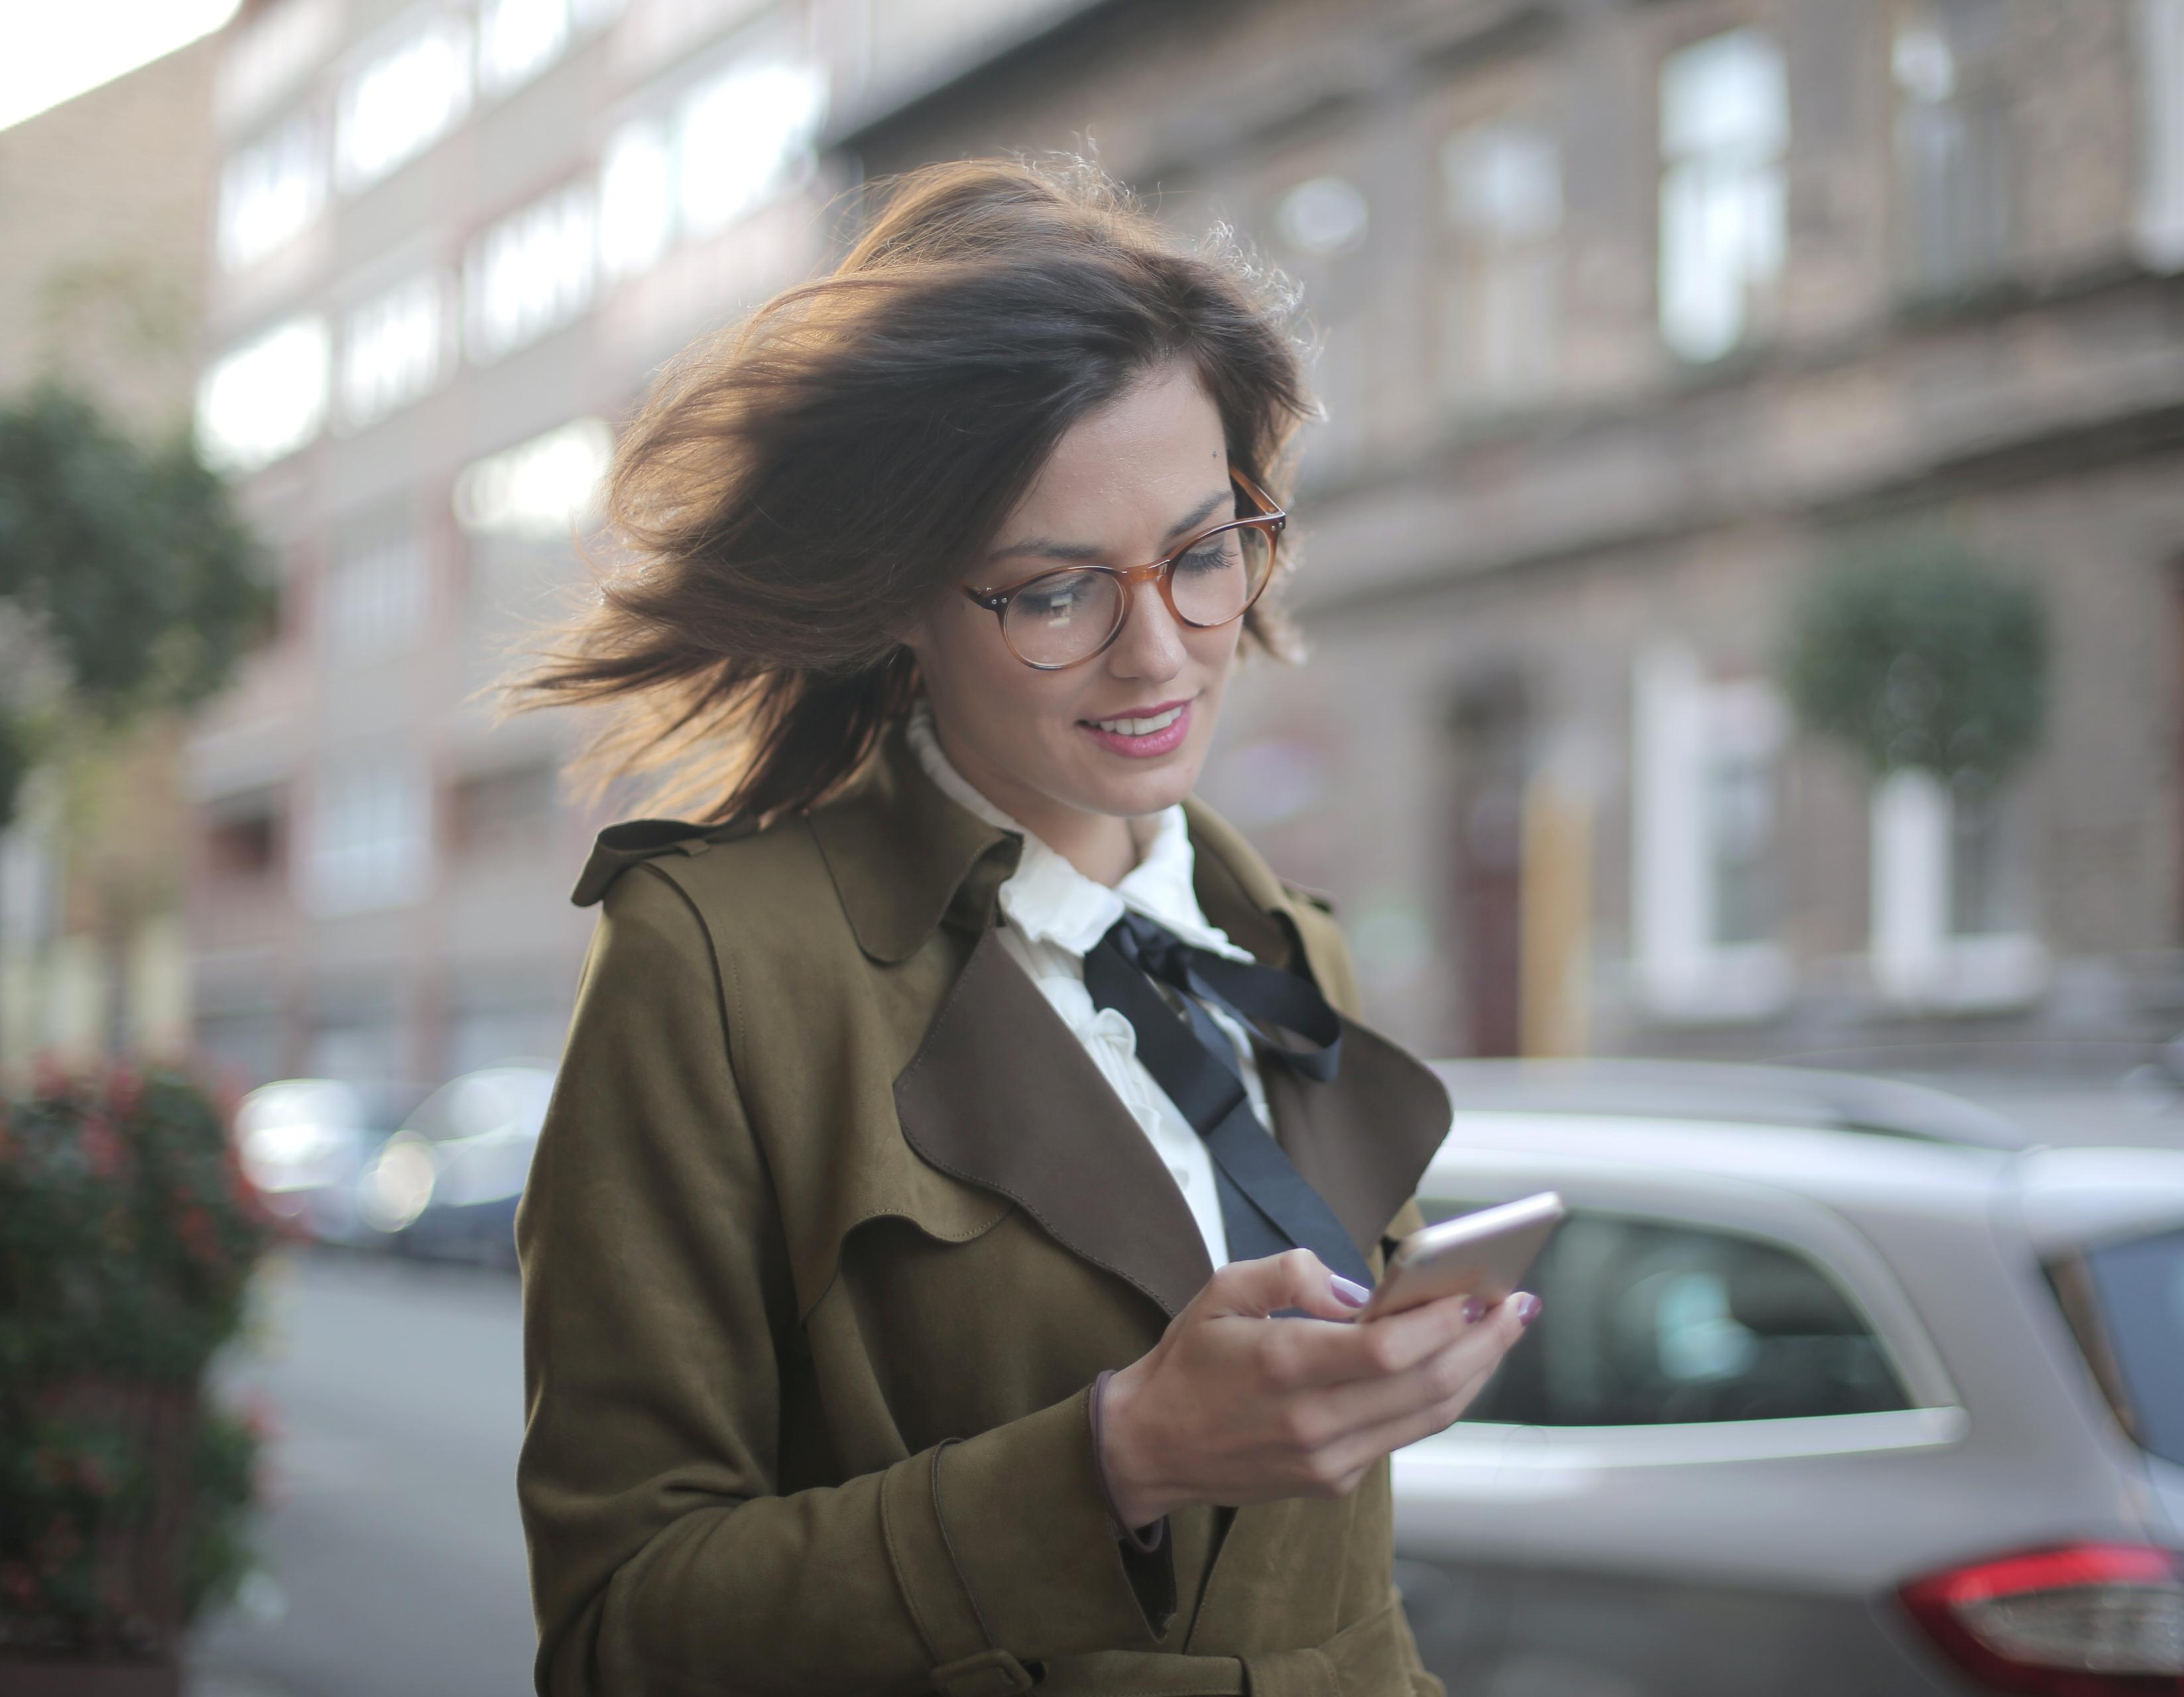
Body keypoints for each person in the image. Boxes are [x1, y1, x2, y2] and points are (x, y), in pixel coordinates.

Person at [509, 157, 1536, 1697]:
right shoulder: (717, 964)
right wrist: (1114, 1457)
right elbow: (621, 1631)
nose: (1160, 656)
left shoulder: (1285, 944)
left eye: (1202, 555)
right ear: (906, 598)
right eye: (1057, 592)